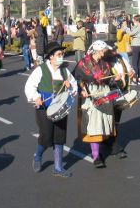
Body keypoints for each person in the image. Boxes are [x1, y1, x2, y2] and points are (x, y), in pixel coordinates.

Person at [24, 41, 77, 177]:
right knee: (47, 135)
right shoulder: (40, 70)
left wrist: (69, 86)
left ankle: (58, 168)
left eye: (62, 54)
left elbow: (74, 87)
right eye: (59, 54)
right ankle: (38, 155)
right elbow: (30, 86)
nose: (61, 56)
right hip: (44, 108)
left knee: (59, 137)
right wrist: (35, 97)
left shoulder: (65, 71)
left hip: (61, 109)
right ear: (51, 57)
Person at [74, 40, 121, 168]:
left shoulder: (105, 64)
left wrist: (114, 79)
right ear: (97, 50)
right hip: (91, 93)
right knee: (94, 125)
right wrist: (81, 89)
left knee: (104, 122)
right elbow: (76, 79)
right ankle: (96, 156)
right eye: (103, 51)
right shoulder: (83, 63)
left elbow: (108, 81)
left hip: (104, 93)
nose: (104, 53)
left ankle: (107, 146)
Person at [122, 15, 140, 85]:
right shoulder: (138, 26)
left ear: (137, 20)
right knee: (138, 62)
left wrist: (126, 27)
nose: (133, 20)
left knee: (134, 62)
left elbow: (131, 33)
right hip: (139, 45)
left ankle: (135, 79)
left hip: (136, 45)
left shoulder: (139, 26)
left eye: (134, 19)